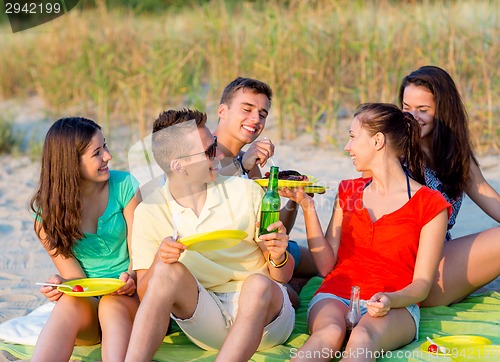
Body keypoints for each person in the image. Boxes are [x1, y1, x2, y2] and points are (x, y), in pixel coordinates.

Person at [281, 103, 451, 361]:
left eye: (352, 136)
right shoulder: (348, 191)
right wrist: (307, 207)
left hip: (395, 305)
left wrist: (389, 300)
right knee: (329, 333)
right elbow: (326, 267)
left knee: (362, 339)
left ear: (377, 141)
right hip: (336, 294)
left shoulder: (431, 204)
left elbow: (422, 286)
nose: (348, 147)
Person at [125, 109, 295, 362]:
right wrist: (160, 260)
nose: (219, 155)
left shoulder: (246, 192)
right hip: (206, 318)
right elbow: (145, 294)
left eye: (214, 145)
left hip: (267, 321)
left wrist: (278, 255)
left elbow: (281, 275)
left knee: (257, 284)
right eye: (208, 152)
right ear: (178, 165)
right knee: (165, 271)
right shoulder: (149, 212)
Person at [29, 117, 141, 362]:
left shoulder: (125, 187)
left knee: (112, 306)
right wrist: (63, 285)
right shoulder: (46, 218)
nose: (108, 156)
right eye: (97, 153)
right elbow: (76, 278)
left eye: (106, 147)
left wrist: (131, 278)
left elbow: (141, 254)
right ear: (71, 164)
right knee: (68, 302)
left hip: (130, 300)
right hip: (88, 309)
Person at [398, 65, 500, 307]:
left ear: (444, 111)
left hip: (441, 259)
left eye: (423, 110)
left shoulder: (454, 155)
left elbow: (487, 195)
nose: (412, 117)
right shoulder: (394, 152)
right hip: (410, 273)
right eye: (406, 108)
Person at [214, 77, 318, 306]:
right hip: (243, 257)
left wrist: (294, 199)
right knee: (290, 298)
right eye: (247, 109)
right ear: (223, 111)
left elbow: (273, 228)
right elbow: (209, 197)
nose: (255, 119)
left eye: (262, 114)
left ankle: (295, 282)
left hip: (271, 248)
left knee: (327, 263)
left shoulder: (247, 162)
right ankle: (293, 284)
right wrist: (244, 166)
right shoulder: (206, 155)